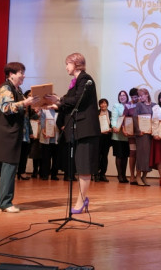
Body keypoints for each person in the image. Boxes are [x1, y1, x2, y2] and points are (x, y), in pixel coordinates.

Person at [0, 62, 39, 213]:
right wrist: (25, 102)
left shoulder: (16, 89)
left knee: (10, 167)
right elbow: (6, 108)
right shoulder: (5, 88)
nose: (23, 76)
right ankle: (5, 203)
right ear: (11, 74)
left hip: (13, 133)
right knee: (9, 166)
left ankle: (3, 201)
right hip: (6, 133)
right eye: (21, 72)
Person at [48, 53, 101, 214]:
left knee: (84, 167)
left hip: (86, 130)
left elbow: (78, 100)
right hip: (79, 130)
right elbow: (69, 101)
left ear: (76, 64)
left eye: (68, 64)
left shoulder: (85, 79)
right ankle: (82, 199)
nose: (66, 67)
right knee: (80, 166)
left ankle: (81, 202)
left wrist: (58, 100)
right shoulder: (76, 82)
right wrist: (55, 104)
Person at [111, 90, 130, 184]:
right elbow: (114, 118)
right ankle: (120, 175)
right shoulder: (116, 106)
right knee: (119, 155)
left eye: (124, 95)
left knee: (125, 156)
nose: (122, 97)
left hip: (127, 134)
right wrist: (114, 127)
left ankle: (124, 175)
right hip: (117, 134)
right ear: (118, 97)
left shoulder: (130, 105)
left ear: (127, 97)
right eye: (120, 95)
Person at [124, 88, 139, 184]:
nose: (134, 99)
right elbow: (124, 117)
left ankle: (138, 175)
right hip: (131, 134)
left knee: (140, 154)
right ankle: (132, 175)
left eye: (136, 97)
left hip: (142, 134)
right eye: (132, 97)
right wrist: (124, 129)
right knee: (133, 153)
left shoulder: (142, 104)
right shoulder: (128, 105)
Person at [96, 98, 112, 182]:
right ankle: (96, 174)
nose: (103, 105)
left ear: (107, 104)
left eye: (105, 103)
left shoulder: (111, 113)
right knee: (97, 155)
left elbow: (113, 124)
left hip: (107, 137)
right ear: (99, 105)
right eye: (101, 103)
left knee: (105, 156)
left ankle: (103, 174)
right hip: (99, 137)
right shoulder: (96, 113)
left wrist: (111, 128)